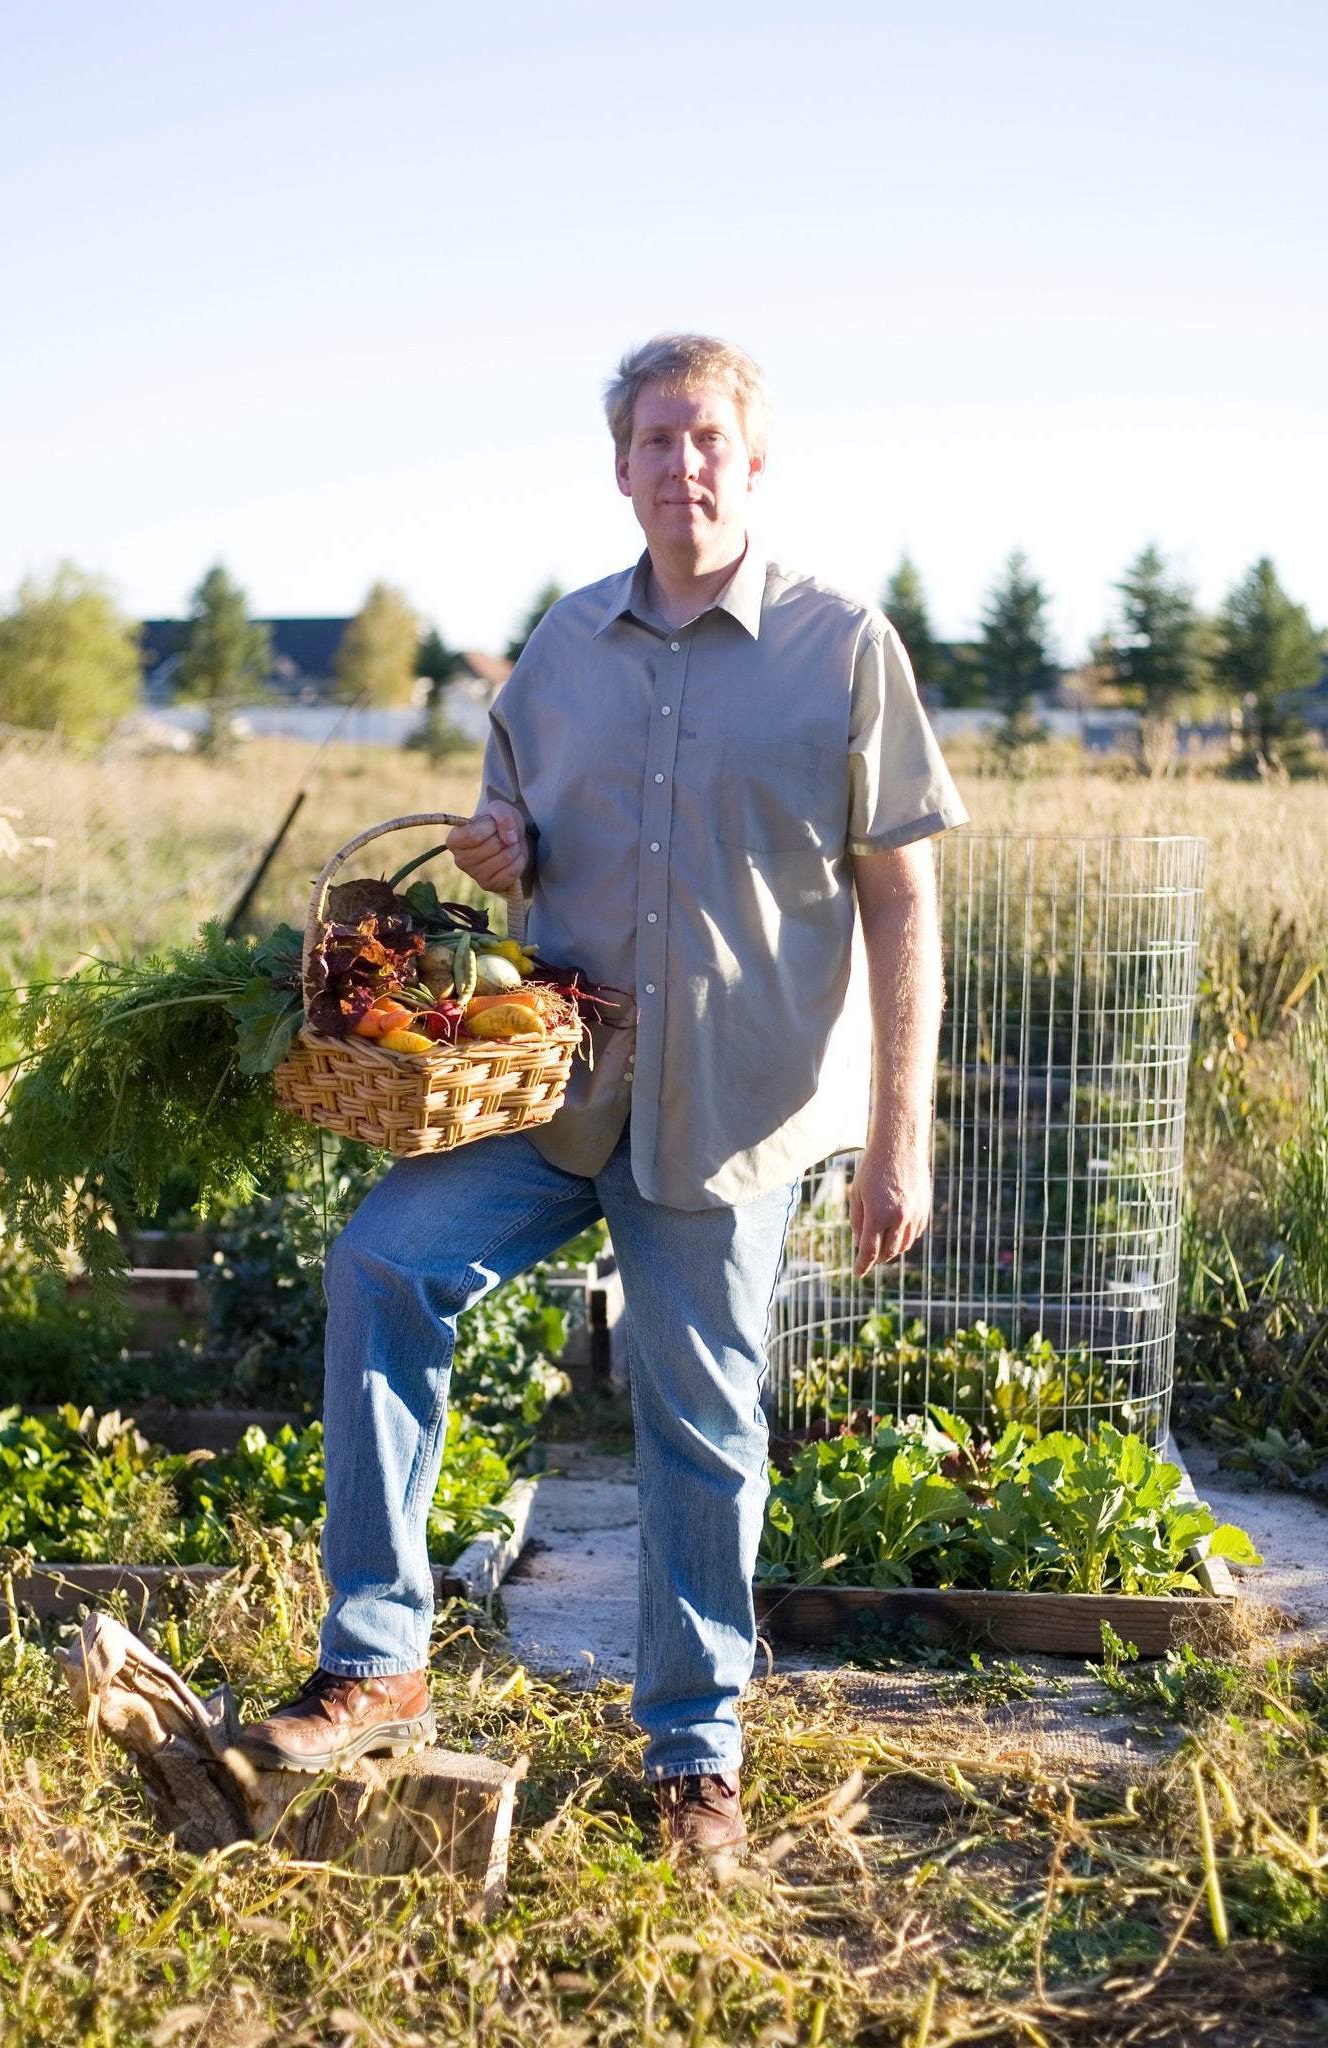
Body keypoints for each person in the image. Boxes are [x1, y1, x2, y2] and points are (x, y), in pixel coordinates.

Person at [241, 334, 968, 1851]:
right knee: (384, 1264)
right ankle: (375, 1664)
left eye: (706, 438)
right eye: (653, 440)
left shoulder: (843, 647)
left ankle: (692, 1748)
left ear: (751, 462)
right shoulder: (561, 649)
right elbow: (514, 841)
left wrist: (900, 1130)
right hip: (558, 1085)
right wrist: (499, 846)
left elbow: (902, 899)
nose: (680, 464)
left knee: (699, 1420)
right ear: (619, 465)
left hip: (737, 1103)